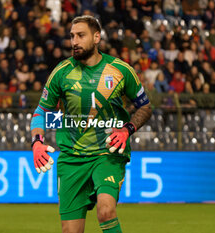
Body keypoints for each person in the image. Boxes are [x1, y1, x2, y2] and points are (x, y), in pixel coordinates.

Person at [30, 15, 152, 233]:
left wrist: (127, 130)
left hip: (107, 154)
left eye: (80, 35)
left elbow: (145, 106)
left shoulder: (120, 70)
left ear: (96, 37)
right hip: (71, 160)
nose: (74, 41)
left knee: (106, 211)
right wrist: (37, 141)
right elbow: (42, 111)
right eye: (72, 36)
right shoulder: (61, 72)